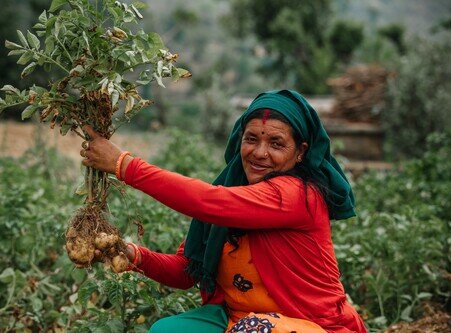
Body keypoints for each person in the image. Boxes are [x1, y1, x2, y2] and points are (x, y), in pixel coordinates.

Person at [80, 90, 367, 333]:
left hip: (313, 325)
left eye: (276, 144)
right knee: (166, 330)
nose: (260, 153)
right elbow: (185, 272)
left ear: (301, 152)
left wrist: (124, 165)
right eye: (251, 139)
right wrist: (133, 254)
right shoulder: (233, 193)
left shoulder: (298, 195)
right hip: (236, 322)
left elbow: (209, 202)